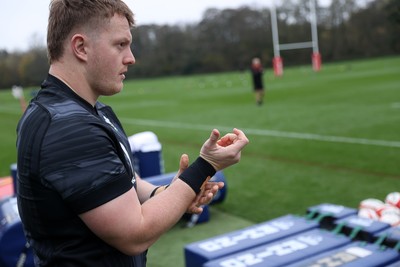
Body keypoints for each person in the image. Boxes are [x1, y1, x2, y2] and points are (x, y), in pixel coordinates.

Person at [15, 1, 249, 267]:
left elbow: (126, 183)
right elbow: (135, 233)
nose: (131, 57)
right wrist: (207, 166)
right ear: (81, 47)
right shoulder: (68, 127)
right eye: (120, 44)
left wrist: (171, 193)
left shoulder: (89, 111)